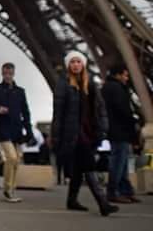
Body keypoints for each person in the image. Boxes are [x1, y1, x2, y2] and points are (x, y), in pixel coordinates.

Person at [51, 51, 118, 216]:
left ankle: (71, 200)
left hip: (89, 132)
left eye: (78, 61)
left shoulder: (91, 85)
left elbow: (100, 108)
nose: (75, 65)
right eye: (72, 62)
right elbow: (58, 113)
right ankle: (103, 203)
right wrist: (56, 136)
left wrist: (103, 127)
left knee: (79, 167)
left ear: (83, 64)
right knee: (88, 164)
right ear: (68, 65)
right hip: (74, 132)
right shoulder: (63, 84)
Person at [0, 62, 34, 203]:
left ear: (13, 73)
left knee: (16, 161)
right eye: (5, 73)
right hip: (3, 129)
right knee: (11, 158)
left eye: (10, 73)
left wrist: (29, 131)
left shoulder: (20, 91)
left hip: (17, 130)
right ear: (2, 73)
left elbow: (26, 112)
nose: (7, 76)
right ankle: (7, 189)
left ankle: (11, 188)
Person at [101, 64, 140, 204]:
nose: (127, 78)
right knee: (119, 162)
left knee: (122, 162)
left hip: (115, 129)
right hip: (120, 129)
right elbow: (123, 110)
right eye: (125, 75)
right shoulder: (117, 88)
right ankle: (113, 192)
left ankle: (125, 191)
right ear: (118, 75)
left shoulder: (108, 87)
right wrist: (133, 122)